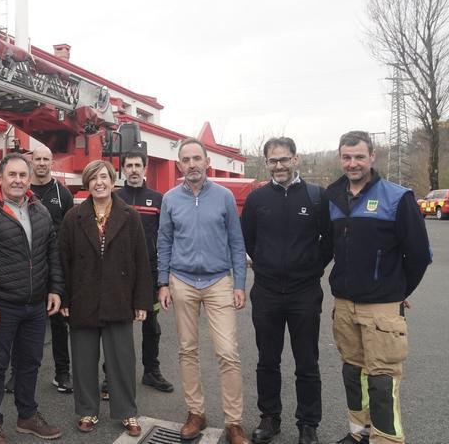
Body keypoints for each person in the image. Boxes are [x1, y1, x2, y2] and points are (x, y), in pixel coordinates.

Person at [325, 131, 430, 444]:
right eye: (347, 157)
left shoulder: (398, 197)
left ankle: (386, 439)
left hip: (381, 309)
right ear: (340, 158)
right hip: (344, 305)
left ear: (372, 157)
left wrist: (399, 291)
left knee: (382, 381)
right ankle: (359, 433)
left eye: (359, 156)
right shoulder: (332, 197)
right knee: (353, 374)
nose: (353, 163)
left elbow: (420, 255)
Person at [157, 138, 250, 444]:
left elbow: (237, 242)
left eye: (198, 158)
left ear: (207, 161)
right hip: (181, 281)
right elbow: (164, 242)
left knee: (228, 352)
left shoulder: (223, 197)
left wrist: (238, 284)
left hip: (218, 281)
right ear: (179, 164)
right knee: (187, 350)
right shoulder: (170, 199)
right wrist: (162, 283)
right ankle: (196, 413)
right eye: (186, 159)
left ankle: (234, 422)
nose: (192, 164)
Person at [0, 153, 65, 444]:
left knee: (30, 363)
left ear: (29, 178)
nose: (18, 180)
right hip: (2, 305)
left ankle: (27, 416)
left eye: (23, 175)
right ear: (0, 178)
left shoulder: (40, 211)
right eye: (12, 175)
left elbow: (52, 254)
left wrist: (55, 289)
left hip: (35, 305)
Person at [241, 137, 333, 444]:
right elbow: (248, 240)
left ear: (296, 159)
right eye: (272, 161)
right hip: (266, 292)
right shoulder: (257, 200)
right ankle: (270, 419)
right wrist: (266, 267)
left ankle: (308, 424)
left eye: (284, 159)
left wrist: (308, 270)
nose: (278, 166)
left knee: (307, 362)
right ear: (265, 163)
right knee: (267, 360)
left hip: (304, 293)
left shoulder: (316, 196)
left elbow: (328, 244)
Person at [58, 160, 151, 437]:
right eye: (93, 178)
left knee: (122, 360)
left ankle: (127, 412)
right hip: (83, 298)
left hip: (119, 298)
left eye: (104, 177)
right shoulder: (72, 218)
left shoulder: (130, 216)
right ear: (86, 184)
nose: (99, 183)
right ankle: (87, 410)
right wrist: (63, 298)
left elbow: (141, 262)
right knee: (84, 360)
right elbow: (62, 261)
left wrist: (141, 302)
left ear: (113, 181)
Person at [115, 149, 174, 394]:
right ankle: (114, 375)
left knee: (151, 325)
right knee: (118, 326)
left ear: (145, 168)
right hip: (119, 274)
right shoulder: (114, 198)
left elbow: (167, 239)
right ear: (123, 169)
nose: (134, 170)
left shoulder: (159, 199)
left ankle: (151, 371)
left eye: (138, 165)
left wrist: (164, 278)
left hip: (149, 274)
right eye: (129, 166)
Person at [29, 145, 74, 394]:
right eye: (38, 159)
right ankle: (19, 373)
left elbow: (69, 232)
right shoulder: (21, 190)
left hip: (55, 266)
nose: (42, 163)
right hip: (28, 265)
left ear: (52, 162)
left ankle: (62, 373)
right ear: (31, 161)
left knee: (58, 323)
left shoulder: (63, 194)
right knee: (24, 323)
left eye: (47, 159)